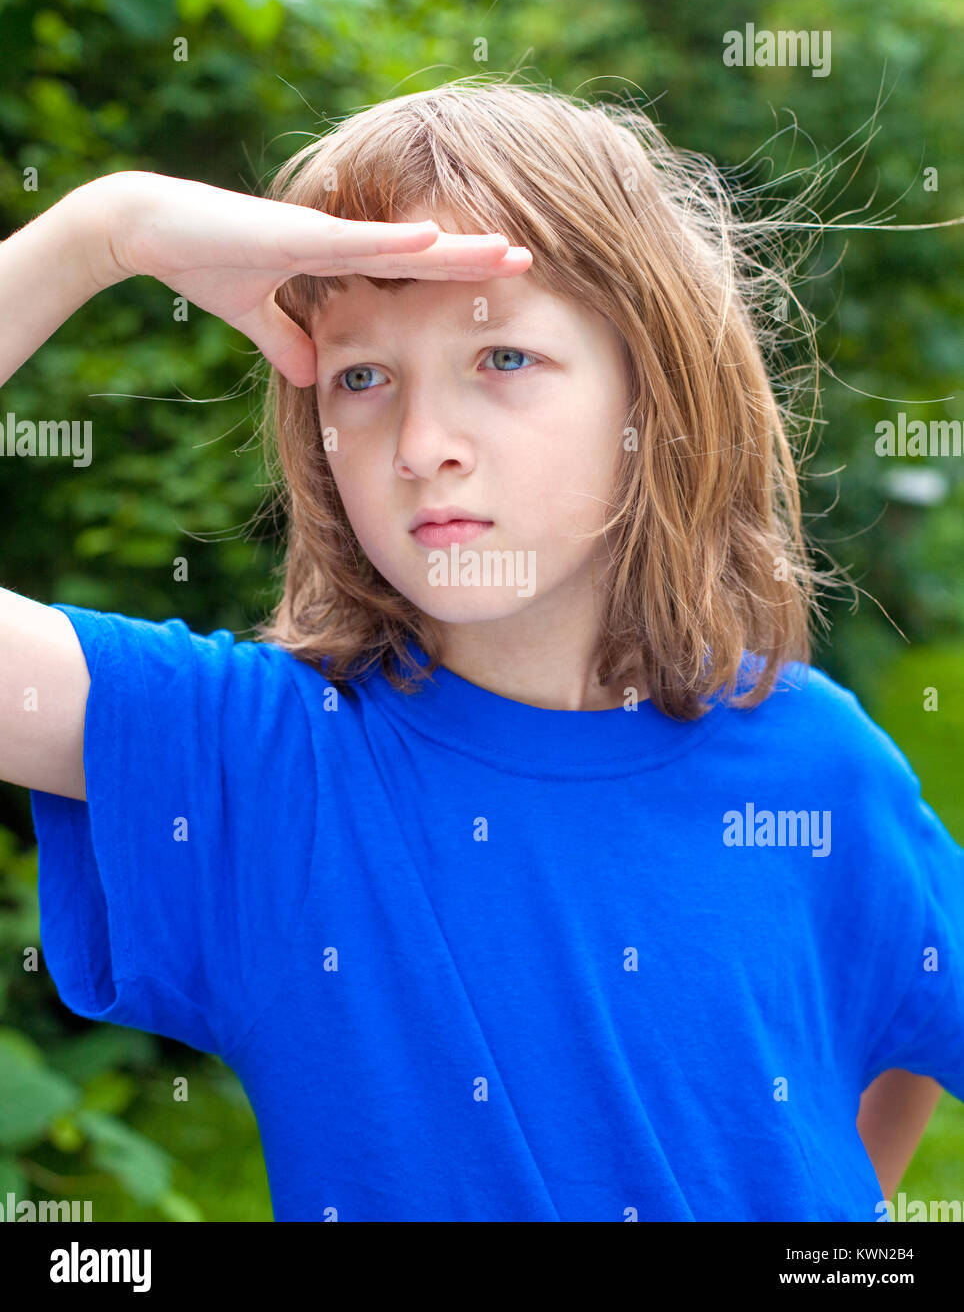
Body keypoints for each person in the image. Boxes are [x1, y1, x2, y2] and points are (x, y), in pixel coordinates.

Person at [0, 79, 959, 1222]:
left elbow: (898, 1017)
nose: (422, 444)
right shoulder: (255, 762)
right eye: (362, 376)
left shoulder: (818, 762)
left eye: (499, 358)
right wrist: (99, 235)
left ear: (655, 391)